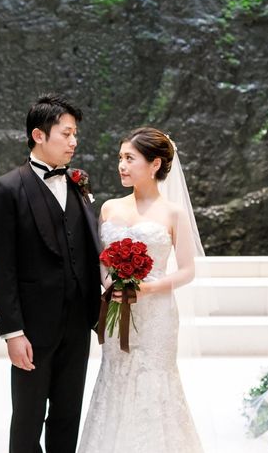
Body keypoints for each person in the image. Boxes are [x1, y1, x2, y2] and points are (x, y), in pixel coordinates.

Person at [78, 127, 205, 453]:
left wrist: (148, 288)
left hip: (157, 315)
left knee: (155, 380)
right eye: (120, 158)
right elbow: (101, 261)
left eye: (130, 158)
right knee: (116, 374)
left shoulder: (173, 213)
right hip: (117, 307)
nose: (121, 165)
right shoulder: (109, 208)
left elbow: (188, 270)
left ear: (154, 164)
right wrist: (111, 284)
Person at [0, 94, 101, 453]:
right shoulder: (7, 189)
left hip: (78, 322)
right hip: (33, 327)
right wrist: (13, 332)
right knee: (28, 417)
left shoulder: (78, 184)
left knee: (68, 415)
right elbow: (2, 267)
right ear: (39, 135)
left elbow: (87, 249)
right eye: (66, 134)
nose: (73, 141)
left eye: (75, 134)